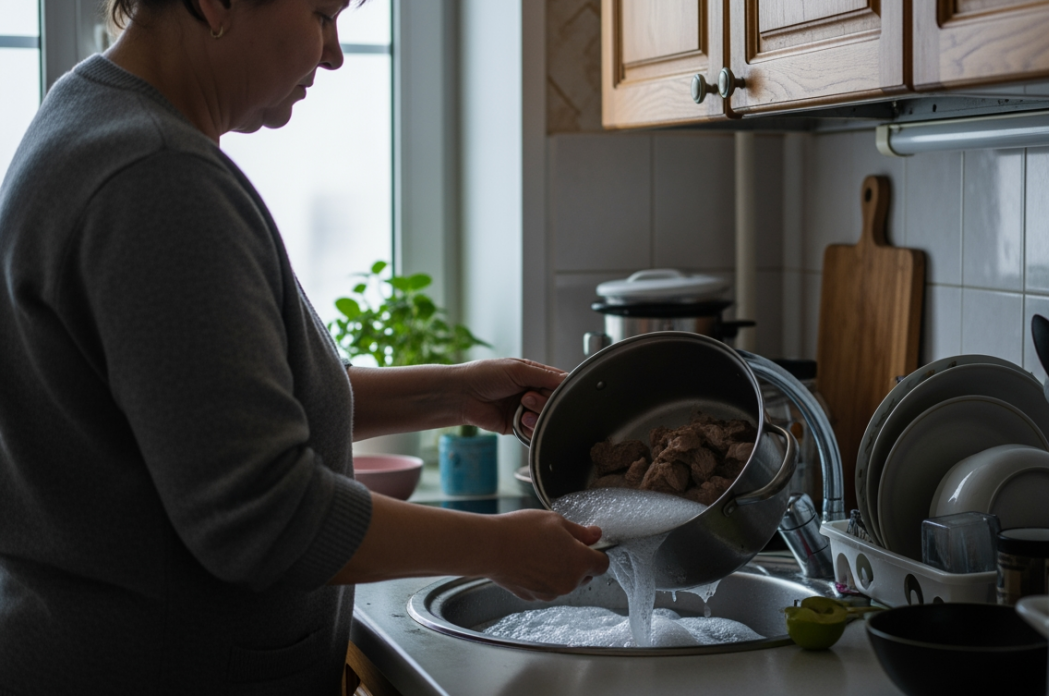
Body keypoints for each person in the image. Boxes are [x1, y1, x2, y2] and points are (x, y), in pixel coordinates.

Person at [0, 0, 609, 693]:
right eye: (322, 13)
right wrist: (499, 547)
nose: (334, 53)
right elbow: (265, 517)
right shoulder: (156, 177)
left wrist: (450, 394)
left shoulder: (93, 115)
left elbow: (214, 420)